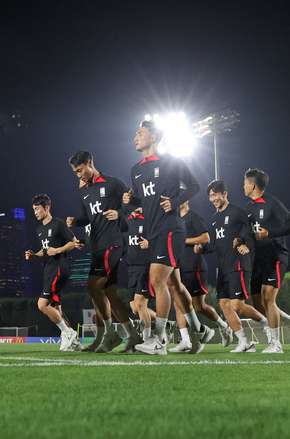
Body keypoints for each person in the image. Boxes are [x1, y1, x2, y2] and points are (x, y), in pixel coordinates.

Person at [123, 119, 212, 356]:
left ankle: (159, 340)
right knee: (173, 284)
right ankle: (199, 329)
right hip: (153, 232)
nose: (135, 137)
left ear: (153, 137)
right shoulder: (136, 170)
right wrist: (131, 201)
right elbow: (146, 201)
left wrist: (174, 202)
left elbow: (194, 186)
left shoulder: (172, 162)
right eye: (135, 133)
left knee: (157, 281)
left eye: (140, 133)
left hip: (170, 228)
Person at [66, 150, 141, 353]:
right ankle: (133, 335)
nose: (78, 175)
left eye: (80, 170)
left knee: (92, 286)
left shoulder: (114, 183)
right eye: (75, 172)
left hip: (113, 243)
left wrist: (118, 212)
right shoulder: (83, 191)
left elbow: (135, 203)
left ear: (90, 162)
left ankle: (111, 335)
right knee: (109, 294)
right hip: (96, 246)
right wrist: (76, 221)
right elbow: (87, 217)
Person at [194, 180, 270, 353]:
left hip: (238, 264)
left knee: (237, 305)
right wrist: (203, 249)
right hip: (224, 267)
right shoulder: (214, 219)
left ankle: (267, 324)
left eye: (215, 194)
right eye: (210, 196)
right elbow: (216, 244)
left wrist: (245, 244)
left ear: (224, 194)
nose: (212, 199)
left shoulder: (237, 212)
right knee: (225, 305)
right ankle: (244, 342)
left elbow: (250, 232)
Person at [244, 168, 290, 353]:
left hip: (276, 255)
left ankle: (276, 344)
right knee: (258, 304)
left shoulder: (271, 202)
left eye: (245, 182)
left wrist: (270, 233)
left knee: (269, 297)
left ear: (252, 185)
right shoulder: (248, 208)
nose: (244, 185)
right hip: (258, 260)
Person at [170, 200, 233, 353]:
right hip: (179, 267)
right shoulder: (174, 219)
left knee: (199, 306)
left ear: (186, 200)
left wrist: (183, 241)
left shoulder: (193, 217)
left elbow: (206, 238)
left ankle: (224, 327)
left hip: (194, 266)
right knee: (177, 304)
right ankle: (186, 341)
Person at [25, 194, 82, 351]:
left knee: (42, 305)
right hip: (48, 271)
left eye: (37, 209)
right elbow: (45, 251)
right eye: (34, 210)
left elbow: (74, 242)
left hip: (59, 269)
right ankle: (75, 342)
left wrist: (58, 250)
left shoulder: (59, 224)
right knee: (57, 309)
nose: (35, 212)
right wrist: (34, 256)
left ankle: (67, 333)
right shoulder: (39, 229)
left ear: (47, 208)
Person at [121, 207, 157, 352]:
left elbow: (161, 241)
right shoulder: (125, 221)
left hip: (146, 266)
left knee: (141, 303)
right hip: (131, 268)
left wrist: (151, 244)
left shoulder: (149, 219)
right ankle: (165, 323)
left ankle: (146, 340)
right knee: (135, 309)